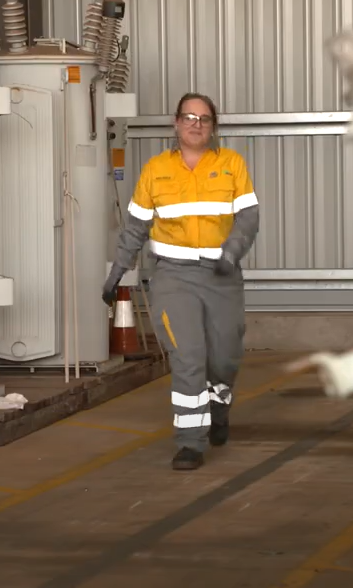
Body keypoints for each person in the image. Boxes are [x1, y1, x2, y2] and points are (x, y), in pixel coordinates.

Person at [102, 93, 260, 471]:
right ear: (176, 123)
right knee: (187, 356)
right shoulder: (156, 170)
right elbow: (136, 228)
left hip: (222, 276)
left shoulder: (231, 165)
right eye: (189, 117)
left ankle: (219, 405)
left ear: (213, 126)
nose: (196, 123)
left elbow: (249, 218)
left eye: (204, 118)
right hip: (172, 276)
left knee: (223, 358)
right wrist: (115, 273)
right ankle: (191, 441)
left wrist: (231, 253)